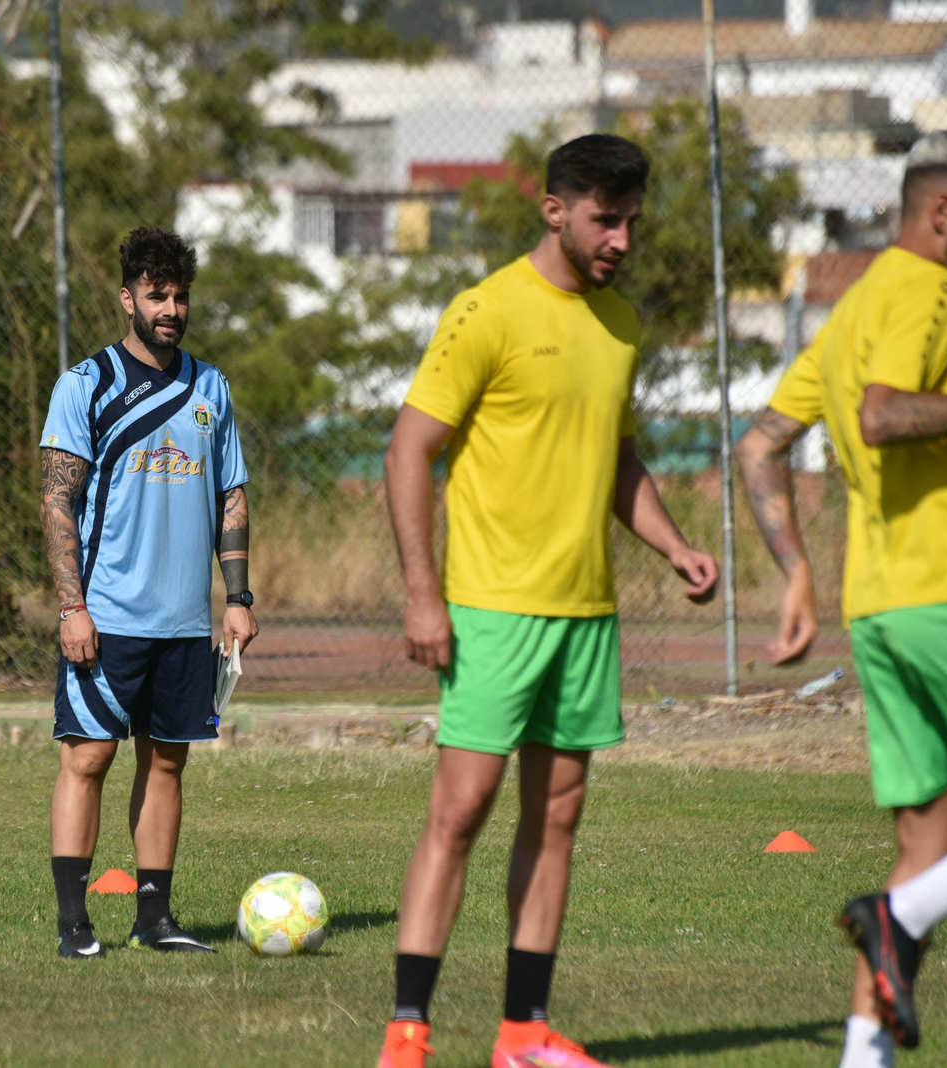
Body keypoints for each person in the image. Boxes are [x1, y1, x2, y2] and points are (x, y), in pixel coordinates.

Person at [377, 134, 719, 1068]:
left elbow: (615, 460)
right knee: (462, 810)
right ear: (554, 209)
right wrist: (422, 593)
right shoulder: (485, 311)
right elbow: (409, 450)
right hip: (490, 609)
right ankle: (407, 1031)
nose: (621, 240)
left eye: (632, 223)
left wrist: (676, 544)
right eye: (606, 220)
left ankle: (523, 1033)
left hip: (586, 614)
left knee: (558, 816)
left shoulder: (622, 324)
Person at [734, 129, 947, 1068]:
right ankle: (895, 914)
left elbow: (759, 444)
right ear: (944, 214)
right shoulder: (933, 289)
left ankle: (861, 1057)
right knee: (911, 887)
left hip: (880, 608)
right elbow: (882, 414)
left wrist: (796, 572)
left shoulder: (854, 307)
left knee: (929, 842)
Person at [38, 226, 257, 958]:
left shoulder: (210, 388)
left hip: (186, 621)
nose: (170, 308)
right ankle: (74, 927)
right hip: (106, 616)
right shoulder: (86, 385)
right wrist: (72, 606)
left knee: (168, 760)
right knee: (89, 758)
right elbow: (55, 501)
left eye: (180, 296)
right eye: (156, 294)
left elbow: (232, 494)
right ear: (126, 297)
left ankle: (155, 920)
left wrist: (239, 597)